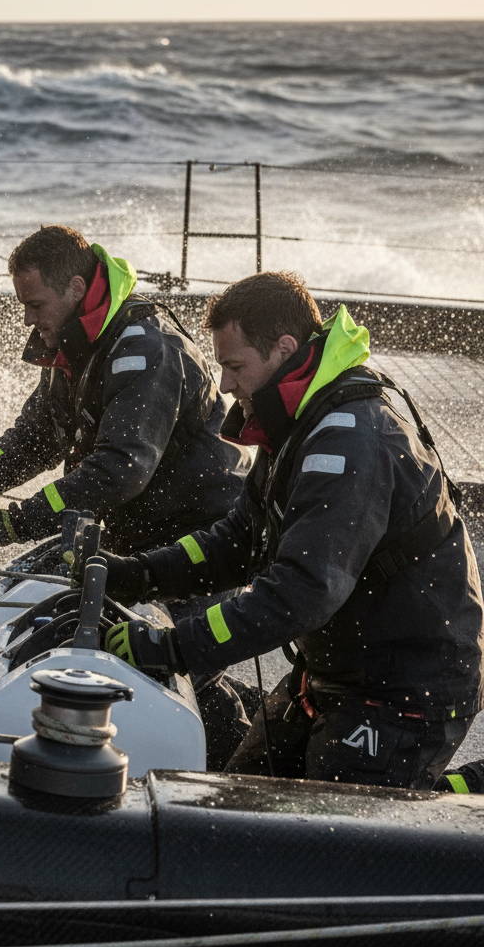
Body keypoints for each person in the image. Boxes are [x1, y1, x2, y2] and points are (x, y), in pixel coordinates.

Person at [101, 271, 484, 789]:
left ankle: (451, 794)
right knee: (239, 796)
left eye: (235, 367)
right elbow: (238, 540)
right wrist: (138, 575)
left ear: (284, 349)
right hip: (336, 669)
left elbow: (301, 591)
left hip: (405, 688)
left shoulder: (349, 441)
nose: (225, 385)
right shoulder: (300, 422)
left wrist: (172, 647)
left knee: (328, 824)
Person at [0, 225, 249, 559]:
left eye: (36, 305)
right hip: (140, 536)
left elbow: (119, 469)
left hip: (201, 541)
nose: (27, 319)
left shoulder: (147, 352)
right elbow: (33, 441)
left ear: (76, 288)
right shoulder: (72, 347)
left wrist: (15, 523)